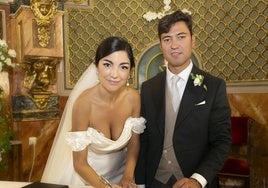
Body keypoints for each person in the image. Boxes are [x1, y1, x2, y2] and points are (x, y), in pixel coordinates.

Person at [135, 9, 231, 188]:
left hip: (193, 180)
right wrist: (140, 182)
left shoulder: (214, 86)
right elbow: (144, 141)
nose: (174, 45)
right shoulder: (148, 88)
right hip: (154, 181)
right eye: (167, 39)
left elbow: (221, 142)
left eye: (181, 37)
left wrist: (198, 179)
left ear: (193, 40)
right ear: (160, 44)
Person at [41, 36, 146, 188]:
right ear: (96, 67)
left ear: (130, 71)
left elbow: (134, 143)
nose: (115, 74)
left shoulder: (134, 98)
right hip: (87, 176)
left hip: (122, 173)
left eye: (123, 67)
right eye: (107, 65)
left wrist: (128, 177)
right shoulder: (83, 104)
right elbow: (80, 163)